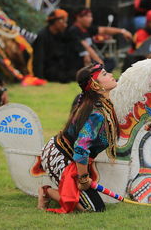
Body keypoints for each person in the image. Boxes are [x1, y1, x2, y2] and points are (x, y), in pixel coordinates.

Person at [37, 64, 119, 213]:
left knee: (95, 207)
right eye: (105, 74)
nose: (111, 75)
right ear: (95, 85)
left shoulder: (103, 103)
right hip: (60, 156)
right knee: (93, 209)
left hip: (72, 156)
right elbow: (81, 149)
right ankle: (46, 192)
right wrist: (83, 179)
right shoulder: (95, 114)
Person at [32, 9, 87, 83]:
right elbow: (39, 58)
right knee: (63, 77)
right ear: (57, 22)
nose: (66, 25)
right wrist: (39, 77)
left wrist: (84, 54)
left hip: (62, 66)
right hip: (49, 68)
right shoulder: (43, 36)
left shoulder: (62, 33)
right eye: (64, 22)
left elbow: (75, 43)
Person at [68, 8, 132, 67]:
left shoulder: (87, 29)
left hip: (92, 60)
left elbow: (104, 30)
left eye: (91, 16)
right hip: (79, 61)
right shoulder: (74, 30)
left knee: (111, 62)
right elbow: (87, 47)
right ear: (78, 17)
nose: (91, 19)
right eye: (87, 16)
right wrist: (100, 63)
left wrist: (122, 31)